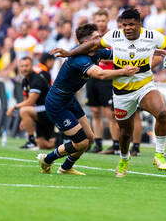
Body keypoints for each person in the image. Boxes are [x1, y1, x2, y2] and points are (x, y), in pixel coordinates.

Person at [51, 8, 166, 177]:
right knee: (124, 134)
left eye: (131, 25)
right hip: (122, 93)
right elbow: (93, 45)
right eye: (125, 25)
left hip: (144, 85)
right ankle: (124, 158)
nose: (128, 28)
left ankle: (159, 154)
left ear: (139, 24)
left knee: (161, 113)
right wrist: (69, 53)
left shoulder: (152, 36)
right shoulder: (114, 36)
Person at [38, 23, 138, 175]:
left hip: (69, 99)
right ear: (87, 43)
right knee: (81, 142)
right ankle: (47, 160)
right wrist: (123, 72)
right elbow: (100, 74)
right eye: (97, 37)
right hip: (56, 102)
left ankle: (65, 168)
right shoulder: (80, 59)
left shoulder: (97, 52)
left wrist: (150, 50)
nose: (100, 39)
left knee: (89, 138)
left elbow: (120, 54)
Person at [86, 10, 120, 154]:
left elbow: (114, 55)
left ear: (107, 21)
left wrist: (97, 56)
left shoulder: (111, 36)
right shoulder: (91, 36)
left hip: (107, 76)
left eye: (103, 20)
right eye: (98, 20)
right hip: (92, 74)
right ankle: (98, 143)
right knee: (94, 111)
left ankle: (116, 144)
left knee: (109, 112)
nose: (100, 23)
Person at [6, 57, 55, 149]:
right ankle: (58, 141)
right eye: (22, 66)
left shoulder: (36, 79)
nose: (24, 68)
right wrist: (24, 119)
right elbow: (26, 101)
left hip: (49, 109)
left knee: (24, 110)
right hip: (39, 111)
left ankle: (31, 140)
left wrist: (14, 107)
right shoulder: (25, 81)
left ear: (32, 66)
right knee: (43, 145)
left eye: (26, 66)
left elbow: (30, 102)